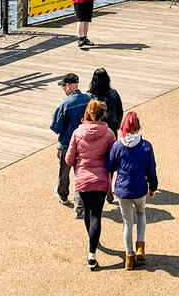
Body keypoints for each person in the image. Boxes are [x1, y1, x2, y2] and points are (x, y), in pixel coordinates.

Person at [66, 99, 117, 271]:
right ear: (103, 115)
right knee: (96, 215)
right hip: (101, 179)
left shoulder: (77, 133)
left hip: (83, 179)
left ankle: (92, 241)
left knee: (88, 213)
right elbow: (113, 159)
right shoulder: (109, 134)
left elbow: (68, 159)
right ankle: (91, 254)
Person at [107, 111, 158, 271]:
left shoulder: (117, 145)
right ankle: (141, 245)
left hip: (123, 190)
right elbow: (151, 170)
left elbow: (110, 167)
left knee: (127, 223)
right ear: (138, 127)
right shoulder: (146, 146)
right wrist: (153, 187)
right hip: (140, 188)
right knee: (141, 214)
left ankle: (129, 257)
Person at [51, 73, 91, 214]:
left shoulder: (65, 104)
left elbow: (56, 127)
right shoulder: (89, 100)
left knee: (64, 172)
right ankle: (79, 207)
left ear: (69, 85)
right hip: (84, 144)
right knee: (80, 174)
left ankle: (63, 195)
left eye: (63, 86)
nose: (63, 88)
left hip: (67, 144)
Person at [88, 68, 124, 140]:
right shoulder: (114, 93)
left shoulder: (90, 96)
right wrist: (117, 124)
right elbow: (120, 111)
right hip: (111, 128)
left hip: (95, 131)